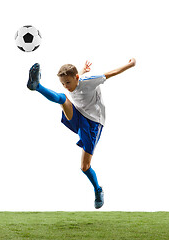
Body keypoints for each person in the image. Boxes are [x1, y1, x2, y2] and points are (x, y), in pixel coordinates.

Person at [27, 58, 136, 209]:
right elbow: (75, 79)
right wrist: (82, 69)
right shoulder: (75, 80)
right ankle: (36, 86)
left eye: (68, 83)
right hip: (78, 115)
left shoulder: (90, 80)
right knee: (63, 99)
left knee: (85, 166)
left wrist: (131, 64)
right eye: (63, 83)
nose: (66, 86)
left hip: (94, 123)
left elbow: (112, 73)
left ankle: (98, 189)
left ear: (76, 78)